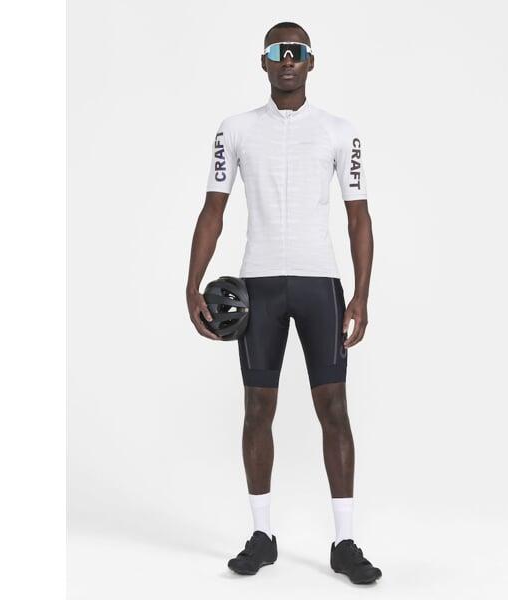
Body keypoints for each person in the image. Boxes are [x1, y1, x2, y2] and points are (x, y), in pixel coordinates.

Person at [186, 21, 381, 585]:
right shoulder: (235, 129)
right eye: (278, 51)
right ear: (264, 61)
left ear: (311, 62)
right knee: (257, 410)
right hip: (260, 287)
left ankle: (345, 542)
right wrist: (191, 285)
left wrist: (362, 293)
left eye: (297, 51)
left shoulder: (339, 131)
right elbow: (213, 209)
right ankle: (262, 535)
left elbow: (359, 217)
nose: (288, 59)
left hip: (321, 286)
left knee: (334, 410)